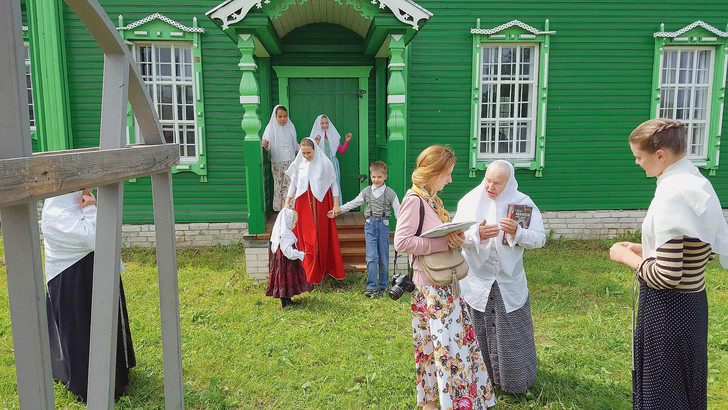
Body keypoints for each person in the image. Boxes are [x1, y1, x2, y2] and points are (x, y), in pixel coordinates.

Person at [609, 118, 728, 409]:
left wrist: (629, 257)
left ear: (660, 154)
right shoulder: (697, 182)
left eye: (639, 156)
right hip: (693, 306)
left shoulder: (670, 195)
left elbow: (668, 275)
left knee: (663, 394)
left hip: (667, 311)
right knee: (685, 390)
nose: (637, 163)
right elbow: (705, 249)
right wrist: (647, 247)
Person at [394, 145, 496, 410]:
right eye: (448, 173)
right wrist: (442, 245)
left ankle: (438, 402)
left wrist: (454, 238)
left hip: (443, 284)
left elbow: (432, 235)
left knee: (443, 345)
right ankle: (449, 402)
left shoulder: (431, 199)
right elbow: (402, 241)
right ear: (434, 172)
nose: (450, 179)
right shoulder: (414, 200)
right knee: (445, 347)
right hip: (430, 288)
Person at [452, 160, 546, 394]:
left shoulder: (522, 202)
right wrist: (477, 235)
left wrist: (518, 232)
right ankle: (481, 380)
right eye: (488, 180)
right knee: (478, 331)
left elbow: (540, 238)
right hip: (478, 281)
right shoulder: (470, 200)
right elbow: (454, 236)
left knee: (512, 332)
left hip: (508, 281)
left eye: (498, 183)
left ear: (509, 183)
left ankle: (514, 383)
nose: (490, 187)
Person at [41, 189, 136, 401]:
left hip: (91, 275)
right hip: (72, 280)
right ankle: (89, 385)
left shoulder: (77, 204)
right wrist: (92, 210)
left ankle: (116, 374)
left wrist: (90, 209)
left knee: (103, 325)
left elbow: (105, 234)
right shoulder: (57, 212)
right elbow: (94, 238)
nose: (87, 190)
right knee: (82, 330)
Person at [329, 161, 401, 298]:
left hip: (384, 226)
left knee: (384, 258)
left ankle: (384, 285)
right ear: (371, 176)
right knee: (371, 257)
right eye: (373, 177)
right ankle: (371, 286)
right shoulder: (367, 191)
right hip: (370, 225)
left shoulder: (390, 193)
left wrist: (402, 229)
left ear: (385, 177)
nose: (376, 180)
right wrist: (339, 210)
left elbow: (399, 213)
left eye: (379, 177)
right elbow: (354, 202)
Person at [284, 137, 346, 284]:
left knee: (321, 236)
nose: (306, 156)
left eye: (308, 153)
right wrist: (287, 203)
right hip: (303, 203)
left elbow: (333, 184)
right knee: (306, 237)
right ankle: (307, 274)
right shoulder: (299, 164)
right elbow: (294, 184)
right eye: (303, 153)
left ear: (315, 150)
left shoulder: (325, 163)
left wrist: (336, 205)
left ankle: (321, 271)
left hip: (321, 203)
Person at [266, 208, 311, 307]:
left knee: (284, 280)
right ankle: (285, 301)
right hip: (287, 263)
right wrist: (300, 254)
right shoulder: (285, 235)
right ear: (287, 222)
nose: (295, 225)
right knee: (286, 279)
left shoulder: (280, 234)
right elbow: (288, 252)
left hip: (282, 263)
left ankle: (286, 299)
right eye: (293, 223)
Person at [262, 105, 299, 211]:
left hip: (290, 160)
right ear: (275, 117)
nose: (283, 119)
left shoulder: (290, 127)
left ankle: (290, 208)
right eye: (280, 116)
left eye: (285, 116)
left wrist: (302, 148)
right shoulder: (270, 128)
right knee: (279, 186)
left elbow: (294, 144)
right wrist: (265, 145)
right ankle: (280, 210)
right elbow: (267, 146)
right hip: (277, 162)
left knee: (290, 185)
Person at [310, 114, 353, 190]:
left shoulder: (333, 138)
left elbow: (342, 151)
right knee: (322, 187)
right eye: (322, 123)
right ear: (318, 124)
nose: (325, 125)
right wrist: (316, 143)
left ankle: (335, 202)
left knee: (334, 187)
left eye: (326, 123)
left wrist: (347, 141)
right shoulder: (315, 138)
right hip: (321, 165)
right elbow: (312, 154)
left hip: (333, 165)